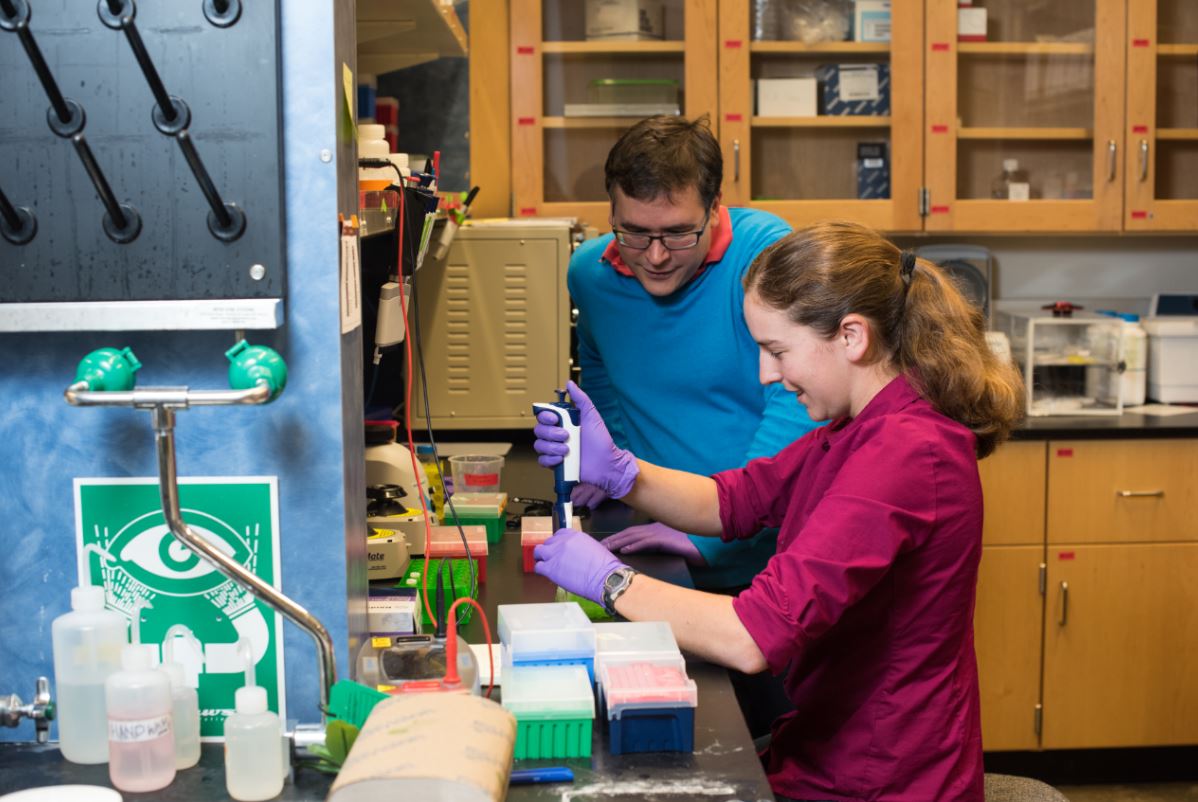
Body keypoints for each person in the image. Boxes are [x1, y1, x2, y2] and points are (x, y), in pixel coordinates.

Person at [533, 221, 1025, 802]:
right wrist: (620, 469)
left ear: (851, 336)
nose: (768, 374)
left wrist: (608, 580)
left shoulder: (906, 452)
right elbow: (735, 500)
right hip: (831, 746)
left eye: (776, 350)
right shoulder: (863, 426)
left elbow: (751, 636)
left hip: (881, 778)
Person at [568, 114, 819, 592]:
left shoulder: (765, 253)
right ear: (611, 212)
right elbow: (604, 382)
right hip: (662, 546)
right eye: (634, 232)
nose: (656, 256)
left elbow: (799, 408)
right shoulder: (588, 275)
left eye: (679, 233)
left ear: (715, 206)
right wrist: (615, 467)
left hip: (773, 562)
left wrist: (713, 534)